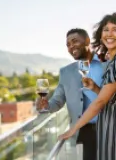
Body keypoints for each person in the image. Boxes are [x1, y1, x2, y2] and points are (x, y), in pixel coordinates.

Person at [58, 13, 116, 160]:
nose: (109, 34)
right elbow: (112, 98)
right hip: (107, 129)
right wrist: (95, 88)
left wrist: (74, 128)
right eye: (106, 29)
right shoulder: (114, 60)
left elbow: (100, 102)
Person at [36, 28, 104, 160]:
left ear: (87, 41)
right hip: (83, 132)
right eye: (68, 44)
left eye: (75, 41)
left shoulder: (106, 64)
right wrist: (46, 105)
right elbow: (57, 101)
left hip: (109, 128)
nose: (71, 46)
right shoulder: (66, 72)